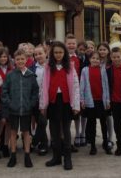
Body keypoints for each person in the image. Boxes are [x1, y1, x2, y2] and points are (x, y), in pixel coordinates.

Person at [39, 41, 80, 171]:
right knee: (53, 129)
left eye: (60, 52)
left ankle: (67, 157)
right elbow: (44, 86)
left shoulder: (70, 67)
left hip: (66, 101)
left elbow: (75, 85)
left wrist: (76, 104)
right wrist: (43, 105)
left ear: (65, 53)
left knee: (66, 130)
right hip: (52, 101)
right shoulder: (47, 67)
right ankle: (56, 157)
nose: (58, 55)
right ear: (52, 54)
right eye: (56, 52)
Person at [2, 48, 39, 168]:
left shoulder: (31, 75)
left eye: (22, 59)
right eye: (18, 59)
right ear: (14, 61)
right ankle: (13, 155)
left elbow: (35, 92)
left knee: (26, 132)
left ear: (26, 60)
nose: (20, 61)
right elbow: (4, 91)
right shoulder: (10, 75)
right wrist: (10, 103)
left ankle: (27, 155)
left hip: (26, 109)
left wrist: (31, 103)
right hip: (13, 109)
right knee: (13, 132)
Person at [80, 52, 111, 155]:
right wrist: (82, 100)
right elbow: (82, 86)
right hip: (90, 101)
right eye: (93, 58)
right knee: (92, 123)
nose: (95, 60)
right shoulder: (85, 70)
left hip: (101, 101)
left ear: (100, 60)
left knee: (103, 123)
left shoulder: (103, 70)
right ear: (89, 59)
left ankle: (106, 143)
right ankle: (93, 146)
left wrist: (107, 100)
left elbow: (106, 86)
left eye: (97, 59)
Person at [0, 47, 13, 158]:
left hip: (10, 99)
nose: (3, 58)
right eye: (1, 56)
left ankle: (6, 145)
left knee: (9, 123)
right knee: (2, 121)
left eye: (5, 56)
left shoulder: (11, 69)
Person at [29, 45, 48, 155]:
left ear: (46, 53)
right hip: (37, 100)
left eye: (40, 53)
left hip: (49, 99)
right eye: (35, 54)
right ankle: (43, 144)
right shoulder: (32, 68)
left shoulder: (50, 66)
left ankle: (35, 141)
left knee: (43, 122)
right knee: (41, 122)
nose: (38, 56)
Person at [65, 34, 82, 150]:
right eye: (69, 43)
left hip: (77, 89)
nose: (71, 45)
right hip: (66, 91)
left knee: (76, 114)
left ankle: (78, 135)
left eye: (73, 43)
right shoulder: (63, 57)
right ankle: (66, 140)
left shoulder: (80, 58)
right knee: (66, 117)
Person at [98, 42, 114, 148]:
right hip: (99, 93)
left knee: (109, 116)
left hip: (109, 93)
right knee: (102, 117)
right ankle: (104, 137)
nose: (102, 51)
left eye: (104, 49)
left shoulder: (111, 63)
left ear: (108, 51)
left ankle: (110, 138)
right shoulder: (96, 61)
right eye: (100, 49)